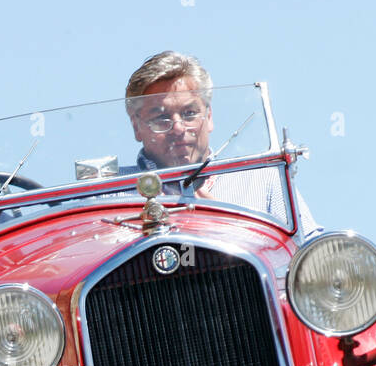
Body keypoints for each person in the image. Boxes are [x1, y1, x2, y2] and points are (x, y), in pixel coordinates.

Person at [123, 51, 320, 234]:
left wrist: (232, 223)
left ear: (209, 117)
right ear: (136, 127)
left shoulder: (264, 181)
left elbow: (311, 257)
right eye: (161, 118)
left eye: (189, 114)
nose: (178, 128)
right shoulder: (105, 193)